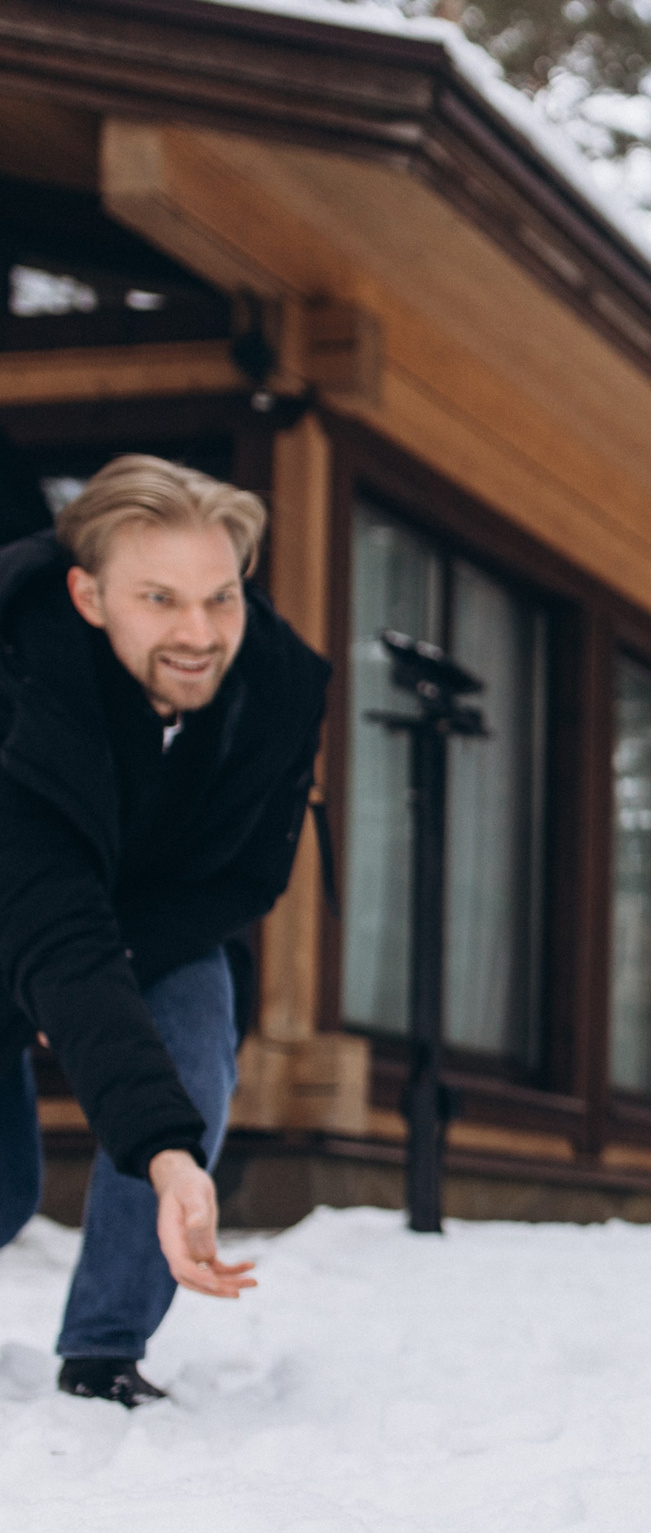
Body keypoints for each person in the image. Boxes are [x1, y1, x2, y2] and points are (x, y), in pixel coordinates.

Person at [0, 454, 328, 1406]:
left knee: (189, 1049)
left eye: (220, 598)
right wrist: (73, 985)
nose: (199, 633)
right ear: (89, 596)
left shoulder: (277, 690)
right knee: (9, 1193)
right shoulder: (23, 687)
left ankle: (104, 1349)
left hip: (155, 922)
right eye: (160, 599)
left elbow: (248, 874)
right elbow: (56, 928)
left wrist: (166, 1150)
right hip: (22, 917)